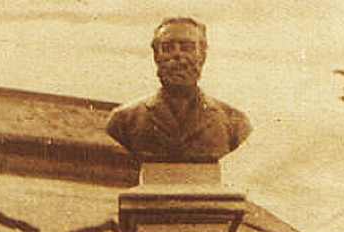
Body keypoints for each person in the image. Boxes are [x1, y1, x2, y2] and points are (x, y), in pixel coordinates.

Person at [107, 17, 252, 162]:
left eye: (187, 48)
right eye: (168, 48)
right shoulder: (123, 120)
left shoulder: (234, 122)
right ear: (156, 56)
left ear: (202, 56)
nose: (177, 55)